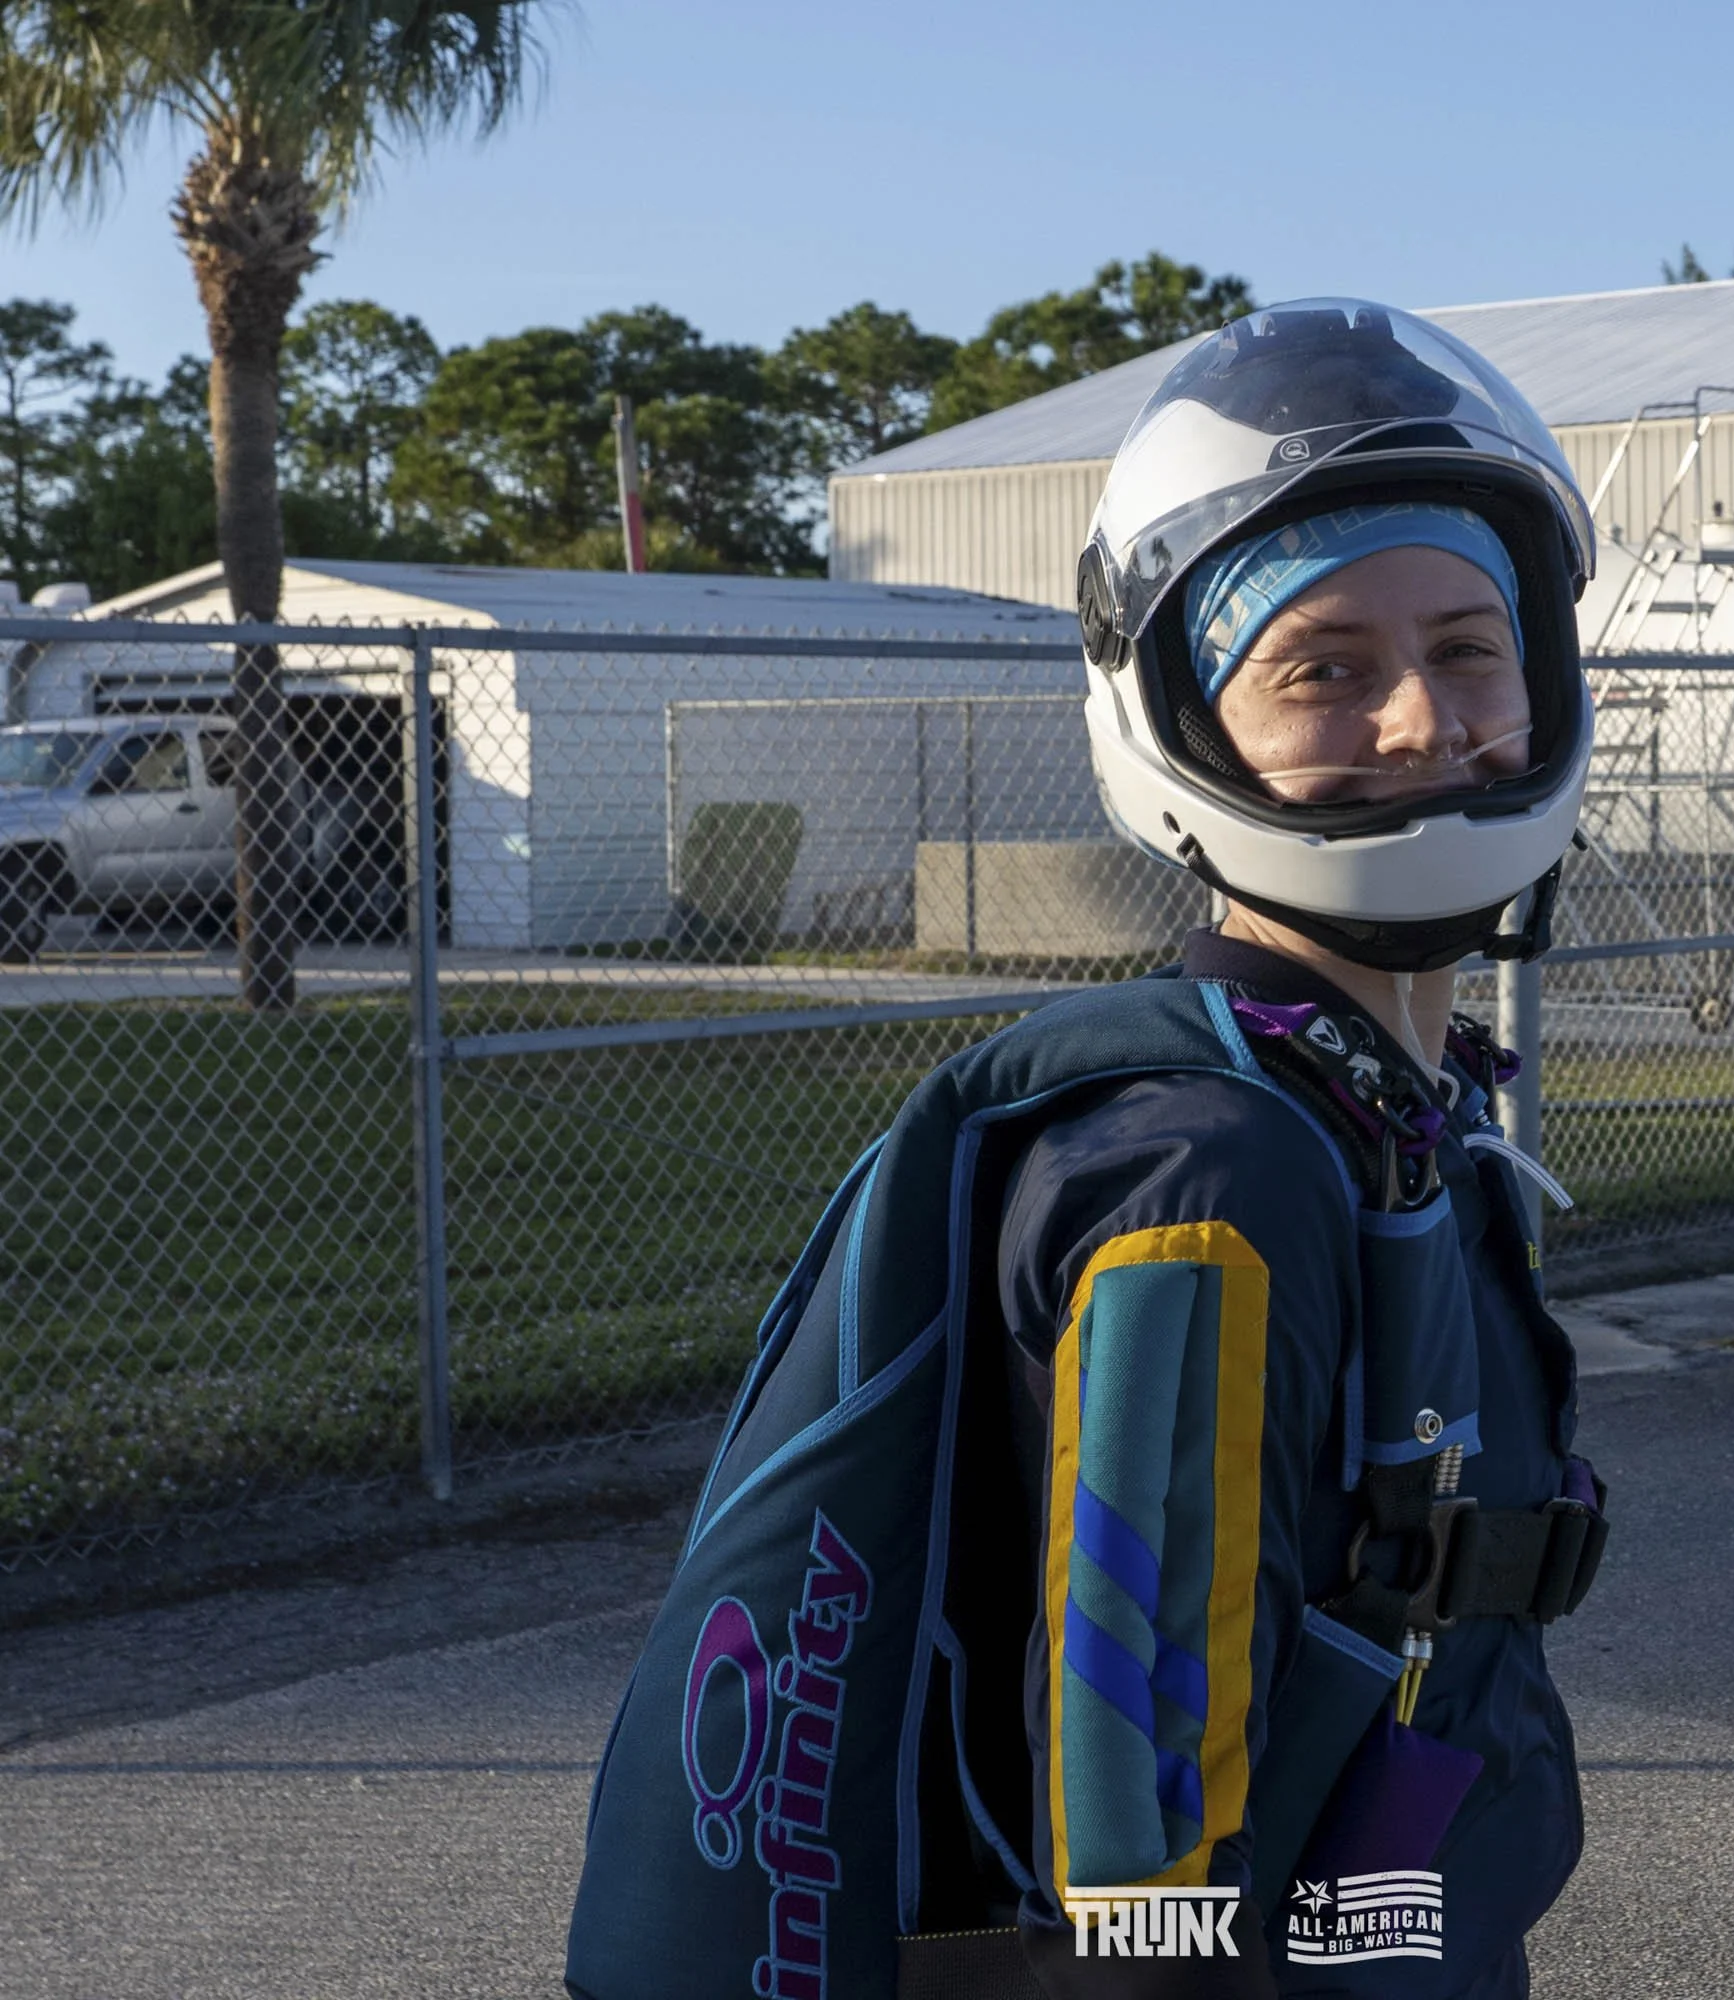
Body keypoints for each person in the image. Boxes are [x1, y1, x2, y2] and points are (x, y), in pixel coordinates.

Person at [567, 301, 1607, 2000]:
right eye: (1328, 668)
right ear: (1184, 723)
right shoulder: (1209, 1175)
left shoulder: (1383, 1111)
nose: (1425, 719)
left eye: (1468, 646)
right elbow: (1145, 1879)